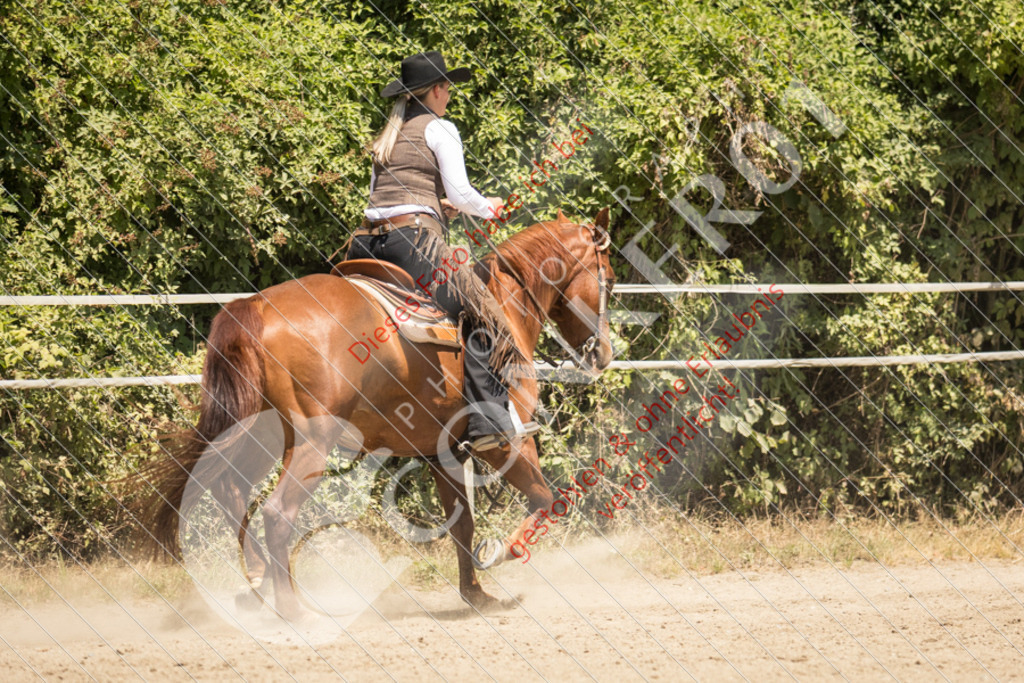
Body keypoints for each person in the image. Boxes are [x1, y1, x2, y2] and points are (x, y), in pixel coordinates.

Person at [346, 51, 537, 451]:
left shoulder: (389, 135)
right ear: (435, 90)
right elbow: (462, 192)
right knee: (484, 311)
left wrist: (438, 203)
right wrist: (489, 208)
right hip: (414, 243)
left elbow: (383, 198)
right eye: (447, 87)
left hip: (365, 243)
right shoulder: (441, 128)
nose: (449, 95)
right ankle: (489, 422)